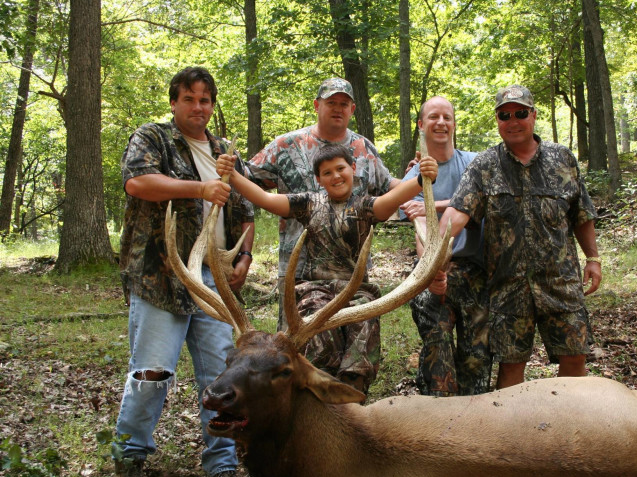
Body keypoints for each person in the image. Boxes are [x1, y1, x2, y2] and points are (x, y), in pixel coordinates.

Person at [114, 66, 254, 477]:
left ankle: (222, 464)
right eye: (189, 99)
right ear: (174, 102)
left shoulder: (223, 149)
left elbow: (247, 208)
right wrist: (200, 187)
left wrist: (245, 256)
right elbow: (138, 183)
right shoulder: (153, 138)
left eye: (206, 100)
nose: (198, 108)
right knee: (152, 373)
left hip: (213, 284)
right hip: (162, 276)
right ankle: (130, 457)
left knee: (220, 376)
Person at [217, 143, 437, 393]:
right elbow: (266, 199)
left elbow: (392, 199)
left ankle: (353, 395)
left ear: (353, 169)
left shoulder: (365, 206)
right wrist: (233, 174)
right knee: (318, 333)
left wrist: (422, 178)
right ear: (319, 179)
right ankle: (316, 392)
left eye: (340, 168)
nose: (336, 176)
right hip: (315, 290)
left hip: (357, 292)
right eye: (327, 172)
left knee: (363, 330)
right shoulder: (308, 203)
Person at [437, 85, 602, 389]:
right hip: (508, 287)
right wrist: (435, 258)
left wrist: (592, 258)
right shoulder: (485, 166)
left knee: (575, 357)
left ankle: (570, 426)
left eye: (520, 113)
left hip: (561, 284)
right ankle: (513, 435)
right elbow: (456, 214)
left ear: (533, 115)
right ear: (498, 120)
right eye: (504, 115)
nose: (513, 120)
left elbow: (582, 214)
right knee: (511, 366)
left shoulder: (562, 159)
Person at [243, 78, 401, 330]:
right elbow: (246, 179)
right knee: (295, 343)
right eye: (331, 103)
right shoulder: (286, 146)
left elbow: (388, 186)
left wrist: (420, 182)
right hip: (298, 269)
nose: (338, 108)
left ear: (352, 109)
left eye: (344, 103)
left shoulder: (364, 148)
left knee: (353, 342)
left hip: (351, 273)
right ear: (317, 105)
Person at [398, 96, 491, 396]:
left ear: (453, 123)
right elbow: (420, 229)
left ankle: (475, 414)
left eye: (447, 117)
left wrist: (435, 204)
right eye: (434, 117)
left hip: (475, 269)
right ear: (421, 124)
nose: (441, 123)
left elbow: (482, 200)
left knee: (476, 357)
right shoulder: (413, 178)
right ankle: (438, 406)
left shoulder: (476, 163)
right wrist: (432, 273)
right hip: (434, 266)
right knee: (437, 342)